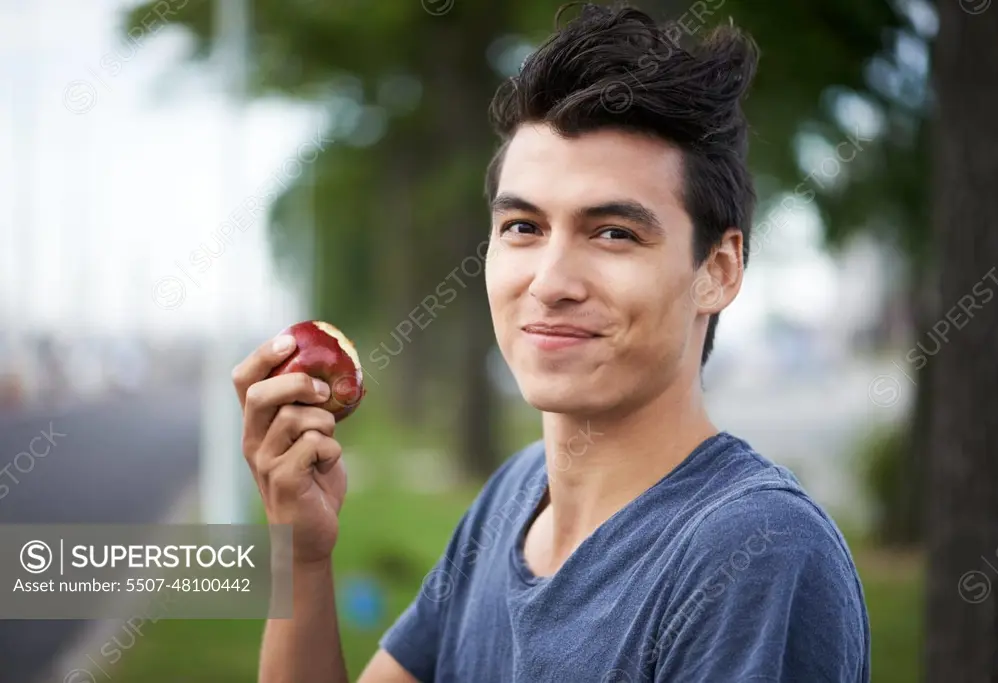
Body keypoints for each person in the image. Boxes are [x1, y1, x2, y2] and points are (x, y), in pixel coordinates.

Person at [231, 3, 871, 682]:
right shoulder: (511, 498)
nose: (551, 281)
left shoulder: (753, 551)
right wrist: (300, 556)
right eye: (523, 227)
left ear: (718, 271)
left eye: (613, 232)